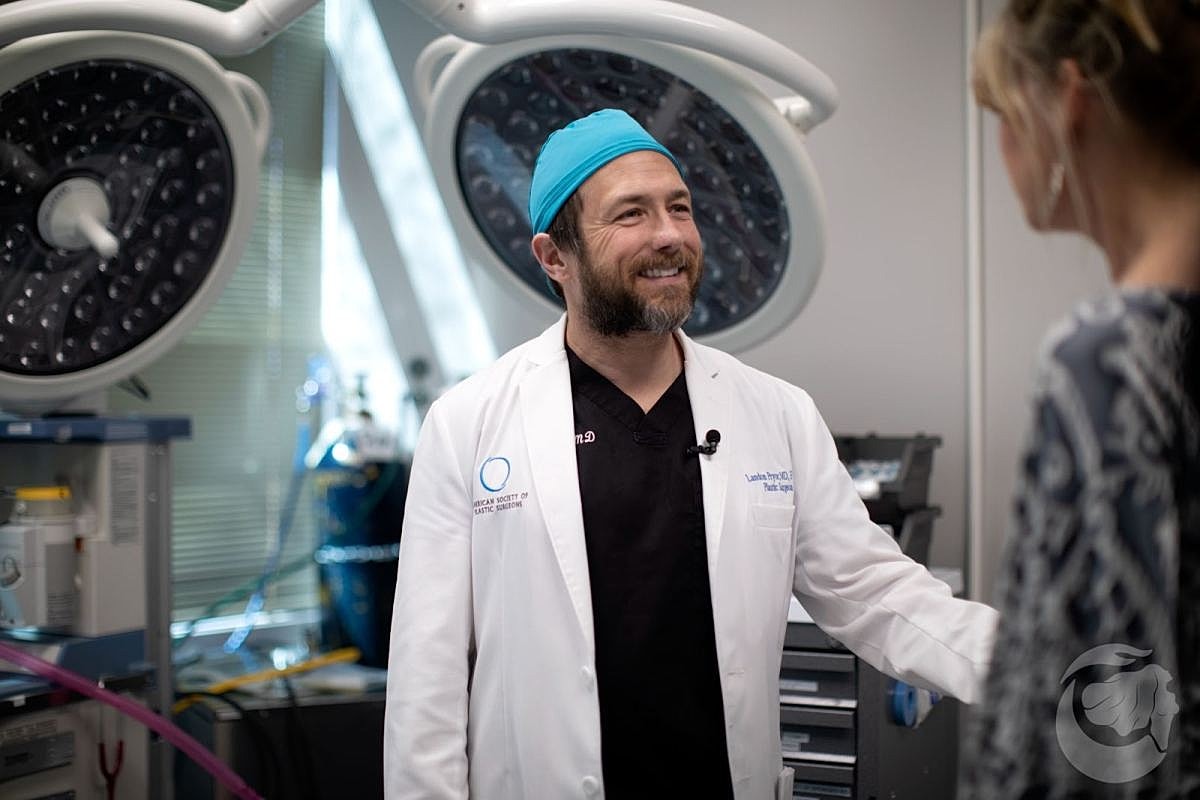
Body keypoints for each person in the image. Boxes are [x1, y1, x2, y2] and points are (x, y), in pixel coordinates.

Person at [384, 108, 998, 800]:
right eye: (631, 215)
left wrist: (1039, 667)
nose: (671, 234)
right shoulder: (468, 424)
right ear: (556, 258)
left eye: (680, 207)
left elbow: (880, 595)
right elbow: (426, 684)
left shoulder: (777, 413)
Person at [960, 1, 1200, 797]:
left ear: (1067, 98)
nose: (1002, 148)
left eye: (1000, 114)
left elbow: (1108, 735)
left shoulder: (1110, 359)